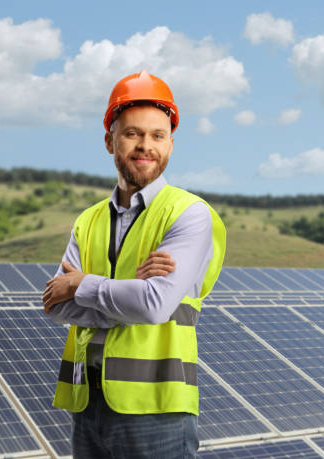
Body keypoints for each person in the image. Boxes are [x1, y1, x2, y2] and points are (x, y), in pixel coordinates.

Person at [42, 70, 226, 458]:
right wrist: (129, 297)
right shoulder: (88, 220)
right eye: (132, 134)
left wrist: (82, 286)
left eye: (157, 135)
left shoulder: (188, 215)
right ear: (110, 141)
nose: (146, 145)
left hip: (157, 409)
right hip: (87, 402)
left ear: (171, 144)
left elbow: (154, 305)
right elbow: (56, 305)